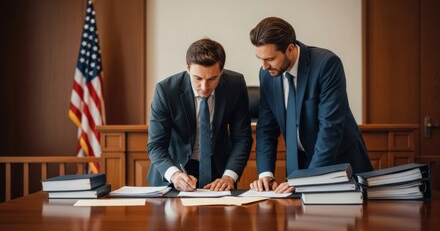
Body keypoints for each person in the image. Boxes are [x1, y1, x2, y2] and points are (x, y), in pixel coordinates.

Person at [248, 17, 373, 193]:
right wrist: (265, 174)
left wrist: (306, 180)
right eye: (260, 58)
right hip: (299, 167)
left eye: (270, 58)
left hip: (339, 165)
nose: (264, 66)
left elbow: (329, 128)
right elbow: (266, 128)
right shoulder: (267, 75)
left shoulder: (326, 65)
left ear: (290, 49)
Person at [147, 38, 253, 191]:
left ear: (221, 71)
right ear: (188, 68)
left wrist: (229, 175)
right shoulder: (166, 90)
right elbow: (156, 145)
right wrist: (175, 175)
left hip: (219, 174)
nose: (204, 87)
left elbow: (242, 138)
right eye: (198, 78)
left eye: (212, 79)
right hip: (174, 172)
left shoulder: (235, 85)